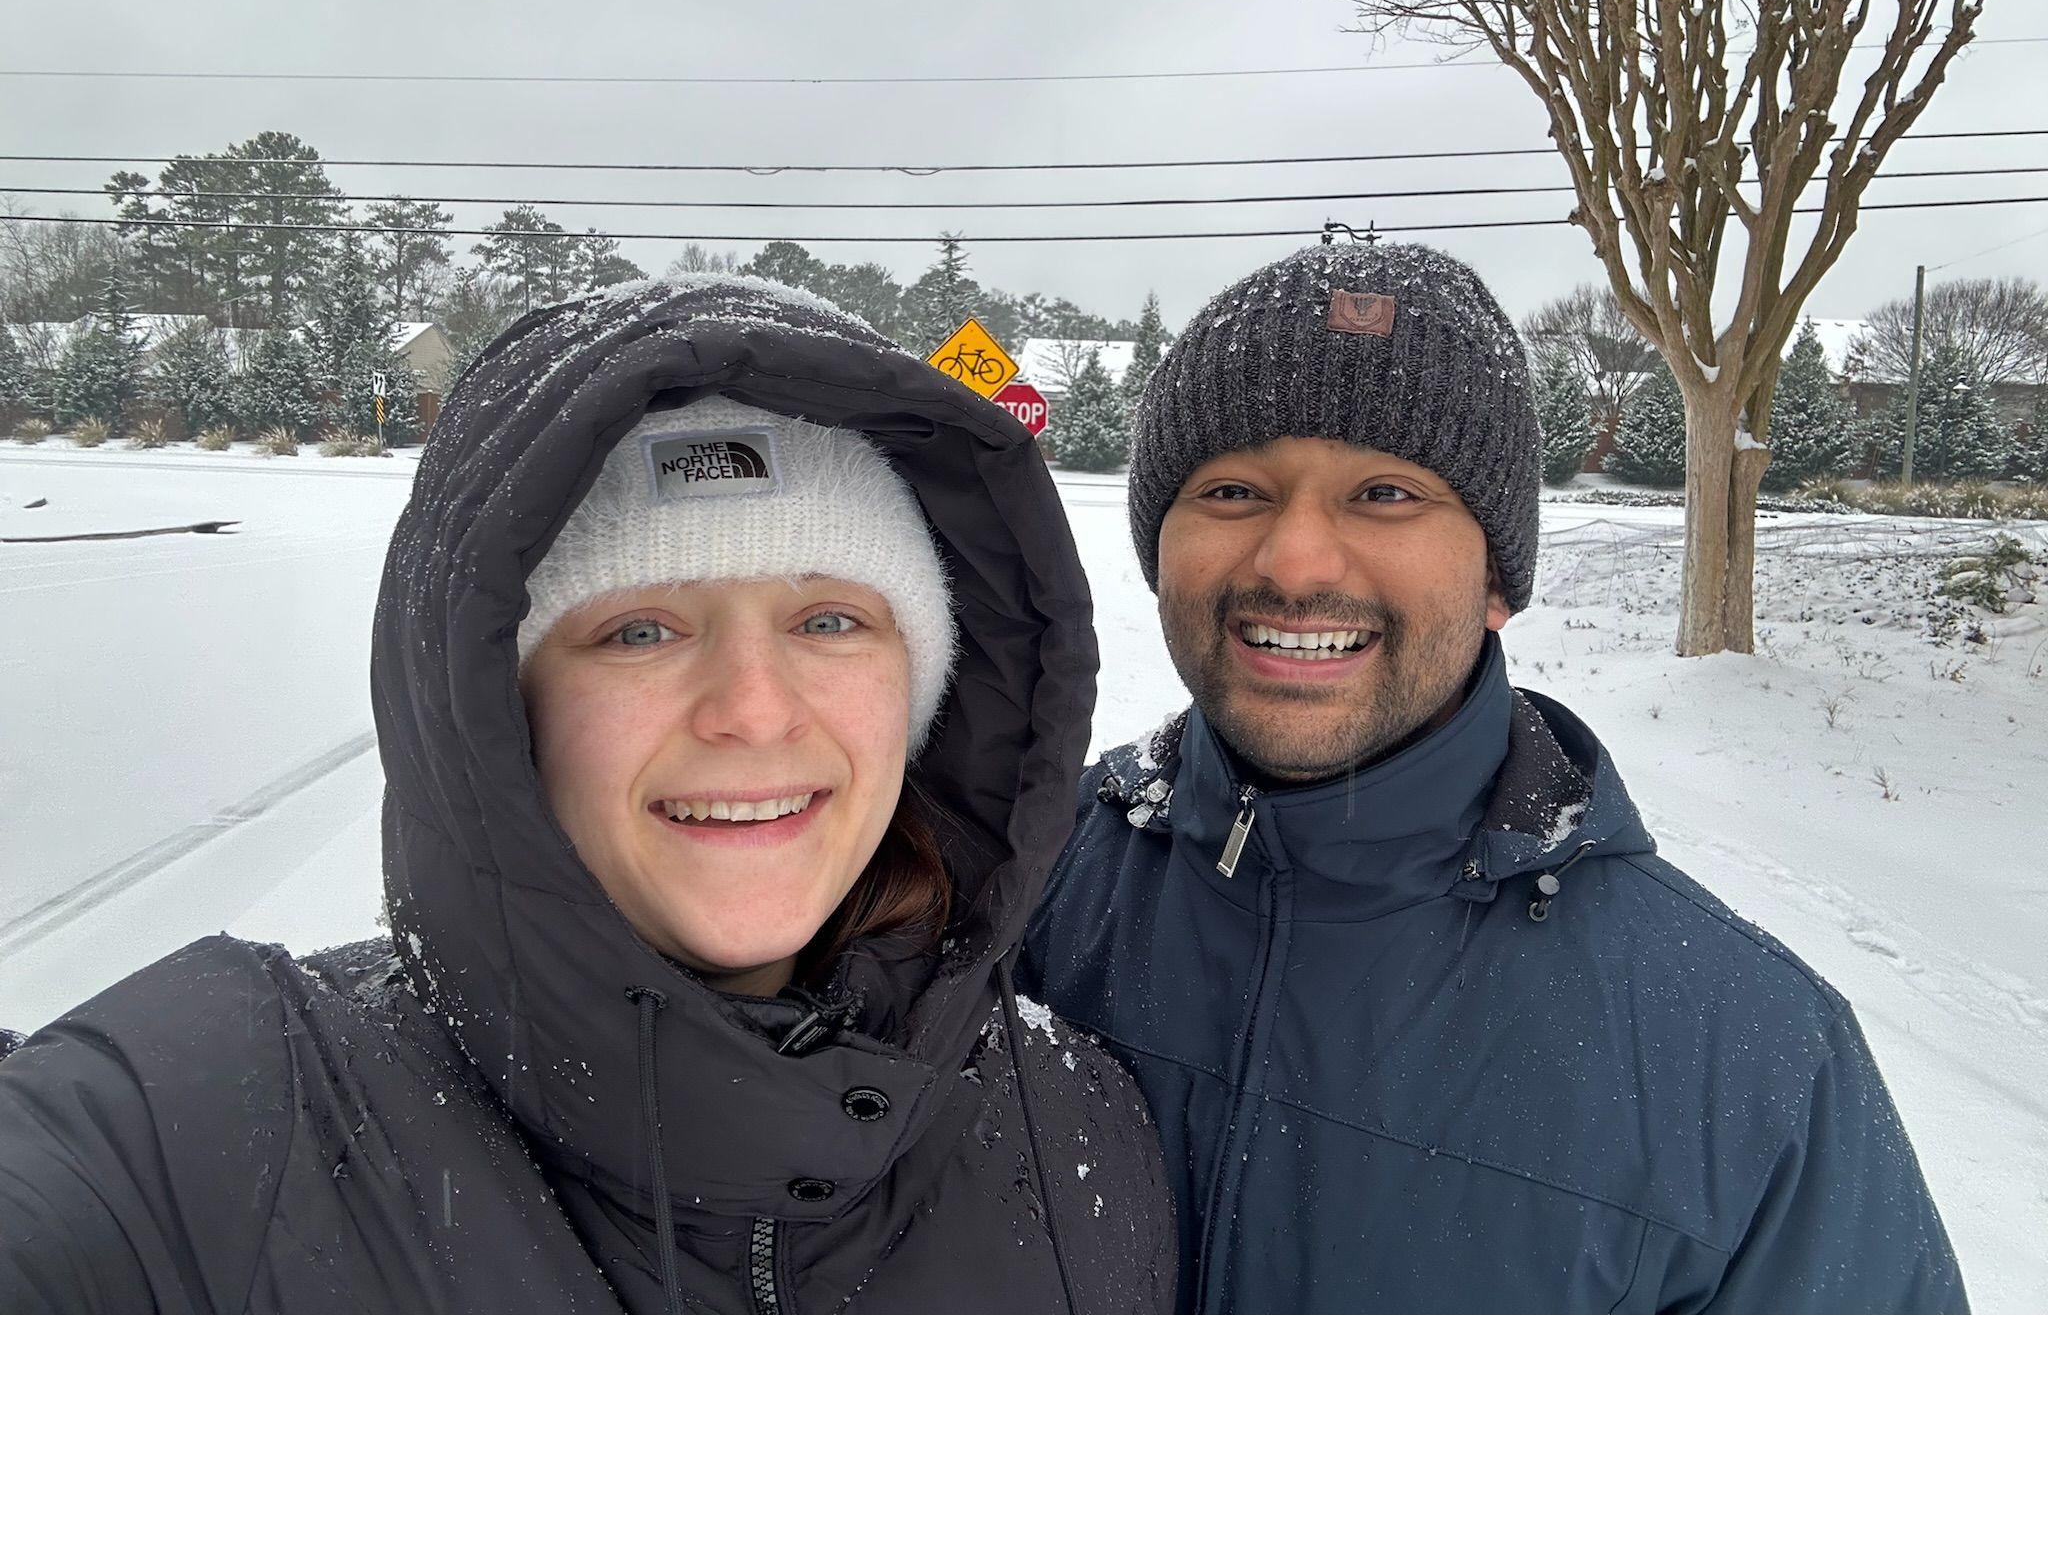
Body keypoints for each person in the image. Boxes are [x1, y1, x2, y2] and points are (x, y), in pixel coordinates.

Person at [0, 272, 1175, 1313]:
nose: (755, 709)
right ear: (496, 711)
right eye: (640, 628)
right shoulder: (215, 1121)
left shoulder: (1078, 1130)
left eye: (829, 619)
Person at [1022, 241, 1966, 1314]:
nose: (1292, 561)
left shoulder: (1747, 1058)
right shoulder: (1005, 893)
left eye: (1383, 492)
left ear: (1495, 580)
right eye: (1233, 488)